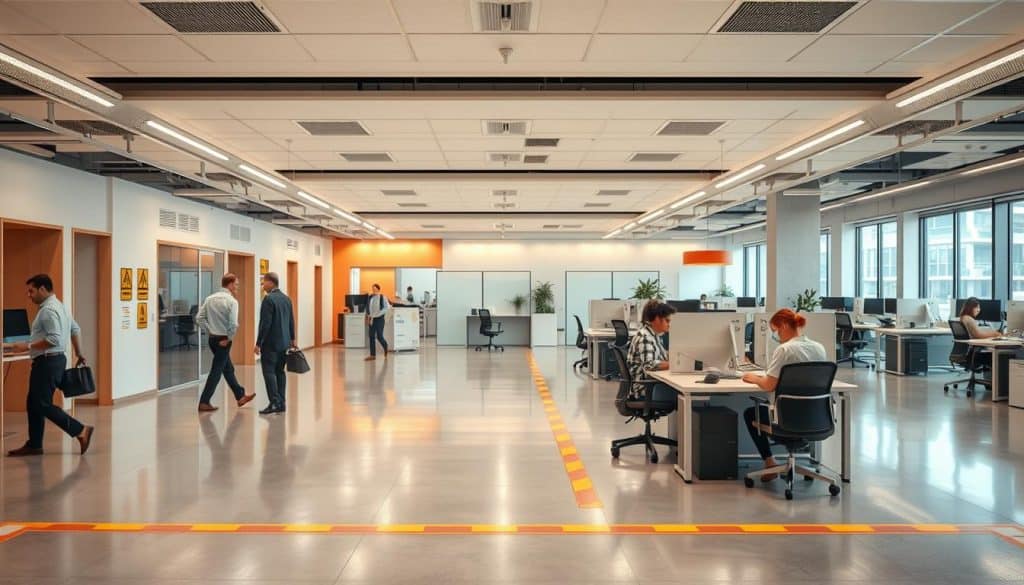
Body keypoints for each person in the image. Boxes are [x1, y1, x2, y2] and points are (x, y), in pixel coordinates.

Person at [3, 274, 94, 456]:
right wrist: (79, 352)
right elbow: (75, 329)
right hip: (55, 360)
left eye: (31, 291)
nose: (29, 295)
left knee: (42, 403)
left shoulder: (47, 310)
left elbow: (54, 339)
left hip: (47, 362)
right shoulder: (60, 306)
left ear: (43, 289)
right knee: (33, 402)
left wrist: (27, 346)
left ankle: (80, 430)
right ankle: (35, 444)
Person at [740, 308, 827, 480]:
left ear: (785, 325)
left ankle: (769, 462)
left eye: (776, 331)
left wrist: (752, 377)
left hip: (785, 419)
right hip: (815, 417)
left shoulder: (784, 350)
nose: (776, 336)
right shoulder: (819, 348)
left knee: (750, 413)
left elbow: (768, 385)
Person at [195, 273, 255, 413]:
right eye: (236, 284)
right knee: (216, 371)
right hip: (224, 340)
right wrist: (228, 338)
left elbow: (199, 318)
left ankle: (240, 396)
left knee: (228, 368)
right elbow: (233, 324)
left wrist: (209, 330)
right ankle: (204, 401)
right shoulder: (232, 301)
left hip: (212, 339)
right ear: (231, 284)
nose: (237, 287)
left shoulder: (210, 298)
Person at [254, 272, 295, 415]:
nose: (262, 285)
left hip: (271, 343)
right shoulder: (286, 299)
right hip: (284, 343)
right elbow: (291, 321)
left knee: (269, 372)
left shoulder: (268, 299)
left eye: (263, 282)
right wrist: (292, 339)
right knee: (280, 372)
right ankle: (281, 402)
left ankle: (274, 402)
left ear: (271, 282)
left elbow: (265, 324)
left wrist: (258, 343)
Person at [625, 300, 678, 403]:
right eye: (667, 321)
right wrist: (676, 365)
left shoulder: (654, 335)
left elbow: (662, 357)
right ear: (657, 319)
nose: (669, 324)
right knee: (684, 396)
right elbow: (649, 365)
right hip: (645, 389)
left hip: (652, 384)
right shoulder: (646, 337)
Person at [365, 283, 390, 361]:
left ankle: (385, 346)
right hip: (372, 319)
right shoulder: (370, 297)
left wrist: (377, 314)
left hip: (379, 319)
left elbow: (386, 308)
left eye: (375, 289)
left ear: (378, 289)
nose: (374, 290)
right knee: (371, 336)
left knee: (379, 336)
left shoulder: (383, 297)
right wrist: (368, 316)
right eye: (373, 289)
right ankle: (372, 355)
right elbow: (368, 307)